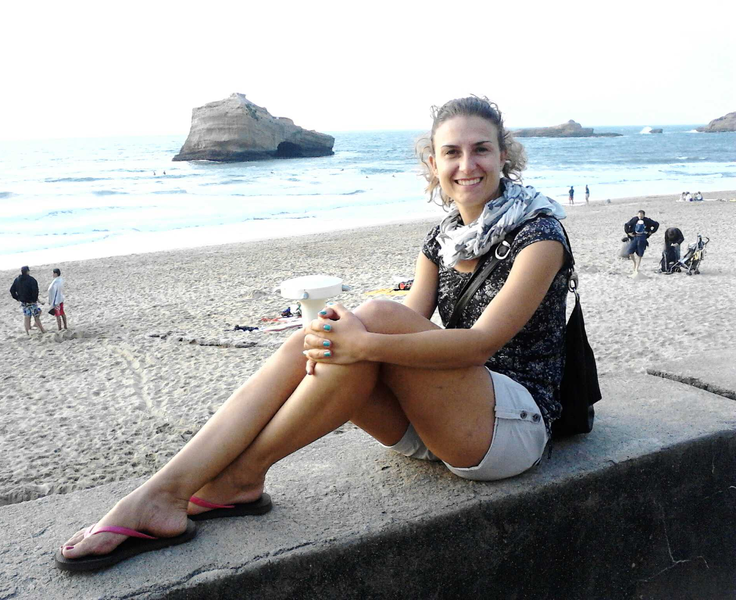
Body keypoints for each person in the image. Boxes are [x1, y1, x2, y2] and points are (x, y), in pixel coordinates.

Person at [56, 95, 572, 571]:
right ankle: (180, 488)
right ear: (433, 165)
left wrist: (363, 338)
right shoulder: (441, 240)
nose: (466, 165)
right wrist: (345, 336)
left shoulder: (539, 234)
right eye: (451, 153)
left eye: (481, 149)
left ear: (504, 155)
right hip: (439, 424)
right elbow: (409, 326)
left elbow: (481, 344)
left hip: (512, 429)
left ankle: (217, 481)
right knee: (340, 331)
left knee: (372, 319)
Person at [9, 266, 45, 334]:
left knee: (27, 317)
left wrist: (17, 298)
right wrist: (34, 299)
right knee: (36, 316)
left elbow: (12, 290)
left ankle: (27, 332)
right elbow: (35, 291)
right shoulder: (32, 280)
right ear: (28, 271)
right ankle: (42, 330)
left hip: (23, 301)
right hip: (31, 301)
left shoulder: (17, 280)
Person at [623, 210, 660, 277]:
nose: (640, 217)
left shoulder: (647, 220)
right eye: (639, 215)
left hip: (642, 238)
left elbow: (656, 224)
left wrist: (652, 231)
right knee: (630, 252)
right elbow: (626, 225)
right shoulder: (634, 219)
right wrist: (628, 233)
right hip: (634, 237)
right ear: (637, 215)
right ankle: (634, 263)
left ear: (644, 215)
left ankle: (637, 268)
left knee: (640, 254)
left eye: (641, 215)